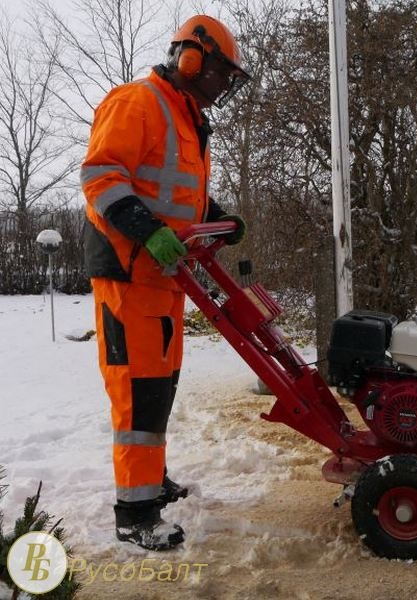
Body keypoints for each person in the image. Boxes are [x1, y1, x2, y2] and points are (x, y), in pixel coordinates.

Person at [81, 15, 250, 551]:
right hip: (131, 272)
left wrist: (220, 216)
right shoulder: (138, 102)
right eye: (221, 73)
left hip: (167, 277)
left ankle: (151, 481)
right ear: (191, 60)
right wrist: (146, 232)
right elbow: (101, 178)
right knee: (139, 393)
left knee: (163, 384)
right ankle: (134, 512)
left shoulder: (187, 118)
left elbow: (180, 196)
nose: (224, 85)